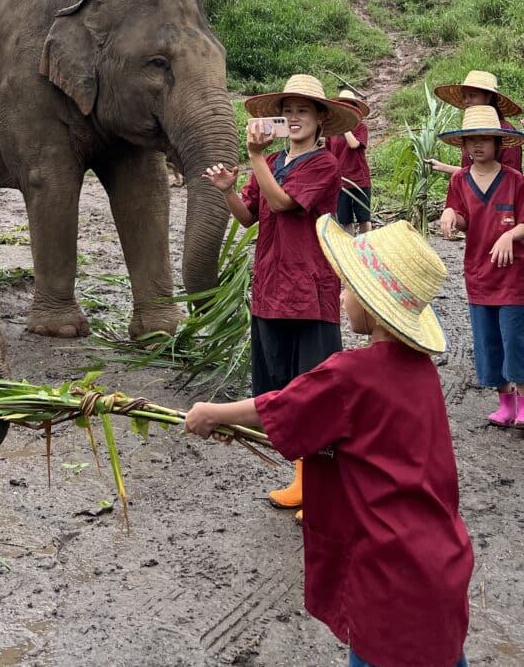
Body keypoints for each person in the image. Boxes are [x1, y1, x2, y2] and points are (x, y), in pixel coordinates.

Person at [185, 216, 473, 667]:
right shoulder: (420, 371)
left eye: (349, 289)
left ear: (374, 306)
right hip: (440, 560)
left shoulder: (349, 373)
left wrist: (213, 413)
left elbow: (280, 408)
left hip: (388, 573)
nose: (341, 297)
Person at [202, 73, 359, 514]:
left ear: (320, 120)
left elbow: (286, 203)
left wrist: (254, 159)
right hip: (271, 288)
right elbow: (250, 216)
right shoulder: (271, 162)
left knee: (317, 392)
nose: (293, 118)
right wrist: (230, 191)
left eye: (302, 112)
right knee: (284, 390)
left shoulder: (324, 165)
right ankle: (304, 479)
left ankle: (327, 487)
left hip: (310, 292)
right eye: (287, 111)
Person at [438, 104, 524, 428]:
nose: (478, 145)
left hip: (513, 276)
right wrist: (449, 216)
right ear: (463, 145)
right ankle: (505, 403)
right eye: (471, 140)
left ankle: (523, 401)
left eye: (485, 139)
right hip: (478, 274)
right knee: (488, 341)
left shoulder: (515, 180)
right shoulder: (459, 180)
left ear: (498, 143)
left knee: (515, 338)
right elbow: (461, 218)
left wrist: (510, 236)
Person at [427, 69, 522, 177]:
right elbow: (472, 172)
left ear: (488, 98)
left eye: (472, 95)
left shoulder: (504, 132)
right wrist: (441, 166)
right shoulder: (468, 130)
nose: (466, 101)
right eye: (464, 96)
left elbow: (512, 178)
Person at [326, 87, 372, 235]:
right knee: (346, 220)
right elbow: (326, 152)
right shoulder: (332, 132)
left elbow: (354, 144)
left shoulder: (361, 128)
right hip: (340, 181)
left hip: (360, 179)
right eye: (342, 107)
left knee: (364, 218)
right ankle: (350, 250)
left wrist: (345, 127)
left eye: (349, 107)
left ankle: (368, 249)